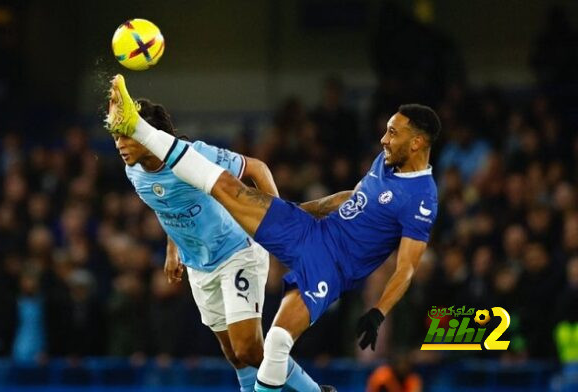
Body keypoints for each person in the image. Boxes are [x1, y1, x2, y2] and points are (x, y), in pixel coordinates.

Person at [106, 74, 440, 392]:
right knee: (239, 355)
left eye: (393, 133)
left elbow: (407, 266)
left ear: (417, 142)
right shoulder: (385, 162)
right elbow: (354, 199)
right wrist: (292, 213)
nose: (384, 139)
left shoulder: (421, 198)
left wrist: (379, 311)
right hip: (311, 232)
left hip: (327, 266)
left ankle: (140, 127)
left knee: (270, 344)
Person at [112, 98, 328, 392]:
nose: (120, 145)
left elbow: (258, 168)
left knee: (248, 349)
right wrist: (172, 249)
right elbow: (168, 206)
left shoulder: (194, 155)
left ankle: (314, 391)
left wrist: (279, 226)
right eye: (116, 137)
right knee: (234, 356)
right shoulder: (134, 171)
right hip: (199, 265)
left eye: (126, 136)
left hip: (237, 250)